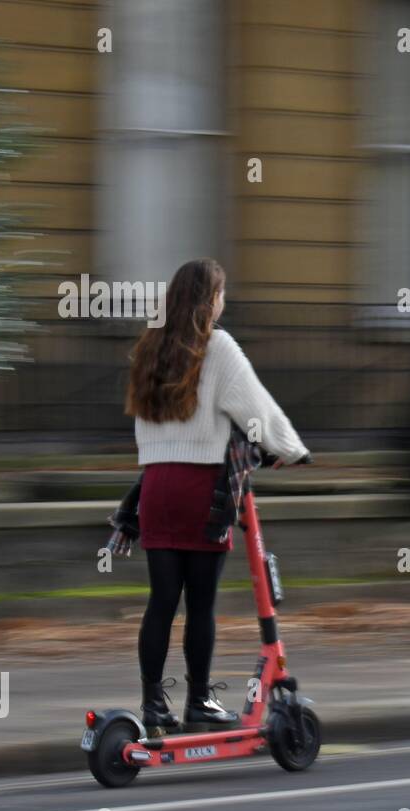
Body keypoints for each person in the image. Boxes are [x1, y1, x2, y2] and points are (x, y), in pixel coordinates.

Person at [125, 258, 309, 732]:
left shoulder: (150, 346)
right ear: (209, 300)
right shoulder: (217, 345)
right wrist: (292, 449)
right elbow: (256, 409)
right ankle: (198, 702)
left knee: (161, 601)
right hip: (201, 487)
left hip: (155, 487)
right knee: (200, 603)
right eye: (221, 294)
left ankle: (151, 705)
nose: (224, 302)